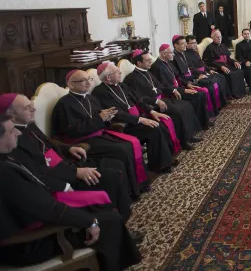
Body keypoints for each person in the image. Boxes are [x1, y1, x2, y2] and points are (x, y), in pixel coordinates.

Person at [0, 114, 142, 271]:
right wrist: (89, 221)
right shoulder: (4, 173)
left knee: (100, 212)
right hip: (30, 243)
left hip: (36, 219)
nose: (17, 133)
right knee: (106, 220)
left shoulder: (7, 158)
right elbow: (46, 209)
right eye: (11, 130)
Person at [1, 93, 135, 221]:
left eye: (32, 104)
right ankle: (119, 220)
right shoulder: (10, 139)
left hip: (65, 163)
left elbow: (48, 142)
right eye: (27, 107)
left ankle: (123, 213)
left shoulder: (28, 125)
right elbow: (35, 172)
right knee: (112, 176)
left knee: (115, 164)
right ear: (11, 115)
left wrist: (68, 148)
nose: (34, 109)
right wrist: (74, 174)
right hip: (58, 176)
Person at [52, 69, 149, 198]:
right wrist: (100, 119)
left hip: (100, 134)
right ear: (71, 85)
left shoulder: (91, 98)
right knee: (123, 149)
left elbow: (100, 117)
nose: (88, 83)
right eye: (83, 80)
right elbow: (72, 131)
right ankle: (130, 191)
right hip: (84, 142)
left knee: (131, 143)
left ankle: (138, 184)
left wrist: (107, 118)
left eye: (89, 79)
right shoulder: (64, 104)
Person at [93, 62, 182, 164]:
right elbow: (117, 113)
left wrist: (152, 111)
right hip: (126, 124)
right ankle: (161, 164)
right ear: (108, 77)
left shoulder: (121, 85)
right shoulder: (100, 92)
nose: (120, 73)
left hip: (137, 119)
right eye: (117, 72)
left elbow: (138, 99)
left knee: (161, 124)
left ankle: (166, 158)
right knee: (154, 129)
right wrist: (140, 120)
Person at [123, 50, 205, 144]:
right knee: (178, 112)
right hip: (152, 105)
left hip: (162, 99)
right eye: (147, 60)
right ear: (139, 63)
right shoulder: (131, 79)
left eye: (150, 59)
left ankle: (189, 135)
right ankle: (183, 141)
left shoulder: (148, 72)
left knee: (186, 105)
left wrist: (173, 90)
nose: (150, 61)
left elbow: (160, 86)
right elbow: (139, 98)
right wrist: (156, 101)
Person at [150, 44, 211, 128]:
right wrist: (183, 90)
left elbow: (177, 77)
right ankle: (200, 124)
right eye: (171, 53)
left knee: (200, 94)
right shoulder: (157, 67)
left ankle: (202, 121)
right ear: (164, 54)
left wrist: (187, 84)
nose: (173, 54)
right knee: (197, 96)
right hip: (172, 93)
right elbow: (164, 86)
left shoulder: (168, 63)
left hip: (179, 88)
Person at [172, 35, 226, 111]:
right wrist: (194, 79)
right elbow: (178, 75)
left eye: (185, 43)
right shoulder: (174, 58)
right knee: (207, 89)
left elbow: (191, 68)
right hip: (186, 82)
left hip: (193, 77)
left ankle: (215, 108)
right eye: (182, 44)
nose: (185, 45)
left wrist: (201, 73)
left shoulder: (183, 54)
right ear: (175, 45)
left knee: (213, 83)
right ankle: (209, 113)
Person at [201, 30, 247, 98]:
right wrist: (221, 66)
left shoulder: (223, 46)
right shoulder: (209, 48)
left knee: (240, 71)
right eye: (217, 37)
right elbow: (209, 62)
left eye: (220, 37)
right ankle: (232, 94)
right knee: (230, 74)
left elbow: (228, 58)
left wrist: (234, 62)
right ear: (212, 38)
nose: (219, 39)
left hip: (227, 65)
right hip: (218, 68)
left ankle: (240, 92)